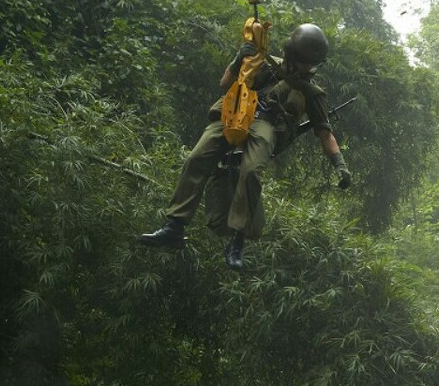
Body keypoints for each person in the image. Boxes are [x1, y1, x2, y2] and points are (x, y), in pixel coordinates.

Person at [138, 23, 352, 270]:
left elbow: (325, 134)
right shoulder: (265, 64)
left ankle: (237, 242)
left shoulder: (312, 93)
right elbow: (225, 83)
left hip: (266, 125)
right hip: (237, 114)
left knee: (250, 172)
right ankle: (175, 226)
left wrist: (340, 166)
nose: (309, 68)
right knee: (197, 158)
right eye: (306, 62)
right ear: (293, 54)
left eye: (312, 64)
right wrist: (239, 58)